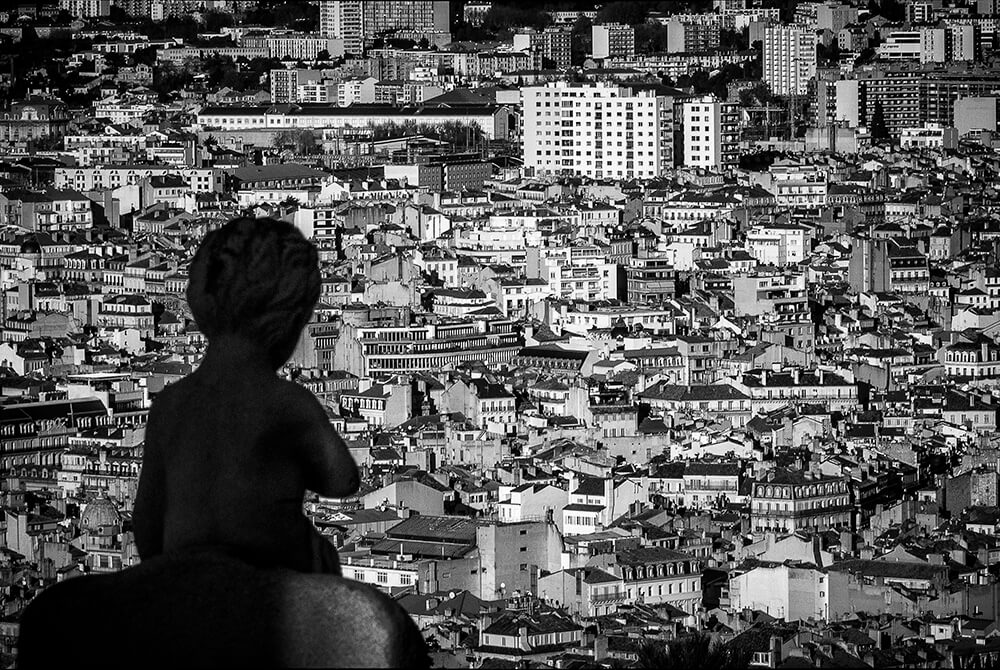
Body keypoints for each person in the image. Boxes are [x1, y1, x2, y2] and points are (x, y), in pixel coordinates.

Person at [133, 217, 359, 574]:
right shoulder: (287, 404)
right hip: (271, 581)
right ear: (287, 323)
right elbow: (342, 479)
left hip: (185, 573)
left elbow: (147, 522)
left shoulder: (171, 403)